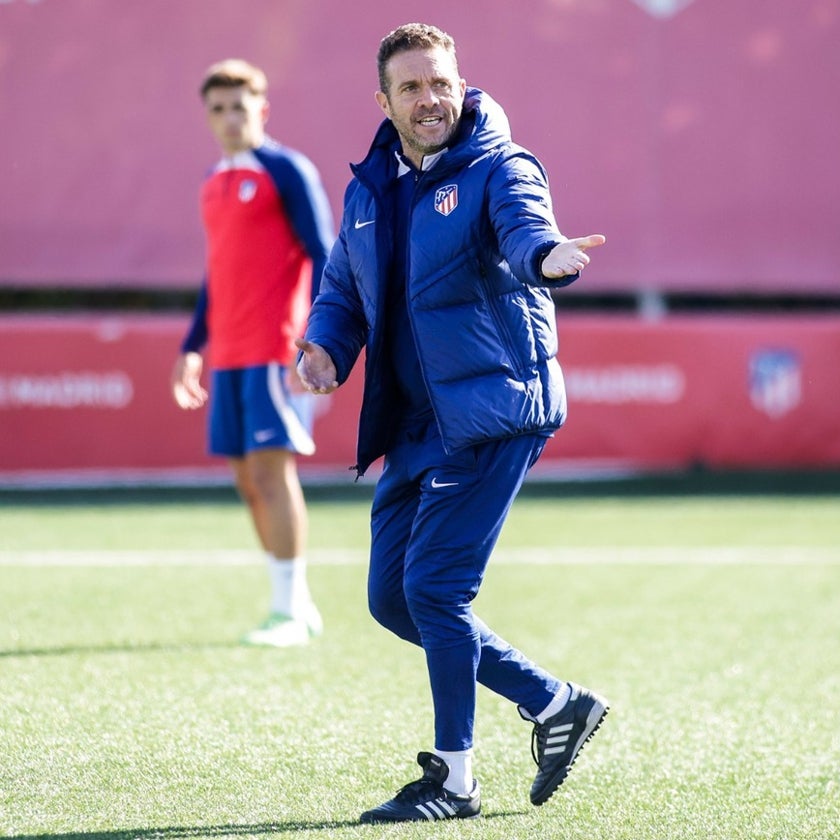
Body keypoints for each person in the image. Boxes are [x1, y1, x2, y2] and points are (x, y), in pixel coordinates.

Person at [295, 22, 608, 823]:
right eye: (411, 87)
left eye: (440, 82)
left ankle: (456, 782)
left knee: (434, 587)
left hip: (490, 410)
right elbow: (341, 290)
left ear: (461, 84)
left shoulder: (502, 165)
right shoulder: (368, 189)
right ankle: (553, 703)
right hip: (411, 423)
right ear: (385, 100)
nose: (429, 99)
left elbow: (525, 230)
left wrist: (547, 257)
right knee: (394, 601)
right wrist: (325, 349)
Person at [171, 59, 334, 648]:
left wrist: (318, 339)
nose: (229, 118)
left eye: (240, 106)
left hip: (274, 352)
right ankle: (295, 603)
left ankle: (288, 611)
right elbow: (217, 276)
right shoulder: (214, 181)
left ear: (261, 110)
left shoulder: (286, 171)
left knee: (271, 472)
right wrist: (193, 347)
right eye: (218, 108)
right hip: (229, 356)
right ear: (208, 117)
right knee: (246, 480)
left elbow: (324, 253)